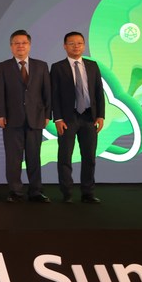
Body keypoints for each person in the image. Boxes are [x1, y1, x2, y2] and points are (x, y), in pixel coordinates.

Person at [0, 30, 51, 203]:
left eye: (24, 43)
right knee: (13, 159)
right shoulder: (3, 67)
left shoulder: (41, 66)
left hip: (36, 118)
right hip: (11, 120)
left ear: (29, 45)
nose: (20, 46)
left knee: (34, 157)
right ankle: (15, 192)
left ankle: (36, 192)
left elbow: (47, 92)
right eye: (16, 43)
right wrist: (0, 114)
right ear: (11, 47)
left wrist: (47, 115)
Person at [51, 31, 105, 204]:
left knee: (89, 157)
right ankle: (67, 193)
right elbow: (54, 95)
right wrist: (58, 119)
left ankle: (88, 193)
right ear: (65, 46)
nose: (76, 46)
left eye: (79, 43)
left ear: (84, 45)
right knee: (65, 157)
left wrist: (100, 115)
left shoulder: (92, 65)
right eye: (72, 43)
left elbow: (98, 92)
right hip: (68, 118)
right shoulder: (57, 67)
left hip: (89, 117)